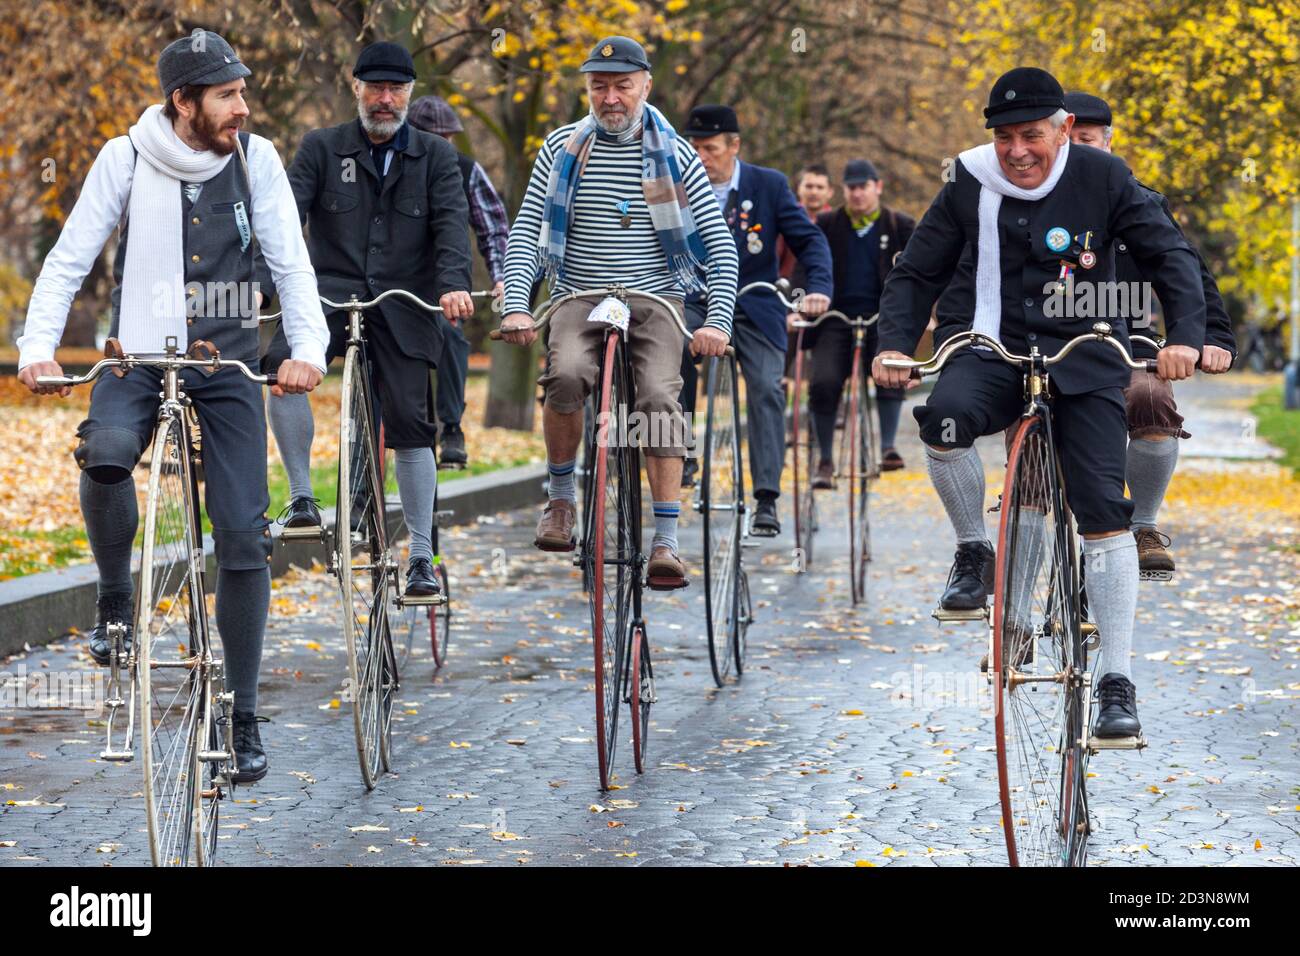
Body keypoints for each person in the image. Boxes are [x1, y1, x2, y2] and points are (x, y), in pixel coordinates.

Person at [16, 30, 330, 781]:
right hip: (139, 355)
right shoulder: (124, 156)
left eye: (242, 93)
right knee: (106, 454)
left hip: (227, 368)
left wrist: (307, 351)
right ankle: (117, 598)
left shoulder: (258, 160)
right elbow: (70, 257)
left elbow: (291, 262)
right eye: (226, 96)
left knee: (245, 537)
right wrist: (37, 346)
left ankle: (244, 716)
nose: (241, 108)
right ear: (182, 101)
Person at [873, 67, 1207, 737]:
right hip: (989, 347)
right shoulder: (968, 180)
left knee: (1103, 513)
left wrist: (1187, 339)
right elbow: (920, 269)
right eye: (1004, 138)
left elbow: (1169, 253)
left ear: (1061, 132)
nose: (1018, 151)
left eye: (1032, 136)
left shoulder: (1103, 179)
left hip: (1085, 354)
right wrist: (891, 345)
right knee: (941, 420)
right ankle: (974, 549)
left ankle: (1117, 679)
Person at [498, 37, 739, 588]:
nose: (610, 98)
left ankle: (667, 539)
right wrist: (516, 306)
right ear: (586, 89)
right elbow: (528, 233)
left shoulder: (677, 155)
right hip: (578, 293)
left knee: (657, 395)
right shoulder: (560, 148)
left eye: (622, 85)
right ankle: (561, 499)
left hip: (656, 297)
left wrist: (716, 321)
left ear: (645, 87)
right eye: (599, 86)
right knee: (564, 375)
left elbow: (719, 248)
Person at [262, 42, 474, 600]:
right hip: (326, 296)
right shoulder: (321, 148)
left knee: (409, 420)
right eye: (375, 87)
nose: (385, 99)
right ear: (355, 87)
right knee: (285, 371)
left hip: (403, 303)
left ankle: (422, 557)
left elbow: (453, 226)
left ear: (409, 91)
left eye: (396, 89)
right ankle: (304, 497)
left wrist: (452, 284)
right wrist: (262, 289)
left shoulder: (436, 156)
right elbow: (283, 221)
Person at [1063, 91, 1236, 574]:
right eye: (1070, 139)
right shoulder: (1031, 197)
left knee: (1151, 397)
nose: (1079, 149)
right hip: (1049, 342)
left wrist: (1213, 338)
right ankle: (1012, 576)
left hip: (1128, 337)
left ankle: (1143, 525)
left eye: (1088, 139)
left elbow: (1186, 269)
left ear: (1109, 143)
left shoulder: (1141, 200)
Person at [680, 104, 833, 534]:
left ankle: (766, 497)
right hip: (694, 299)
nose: (700, 157)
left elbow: (809, 240)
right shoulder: (672, 185)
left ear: (734, 146)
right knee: (668, 351)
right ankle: (681, 451)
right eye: (693, 148)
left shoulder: (768, 185)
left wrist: (818, 288)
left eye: (709, 149)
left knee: (767, 387)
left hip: (753, 303)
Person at [408, 94, 512, 469]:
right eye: (433, 137)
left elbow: (494, 228)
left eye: (447, 138)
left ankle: (451, 426)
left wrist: (501, 277)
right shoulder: (389, 165)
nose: (442, 146)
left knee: (450, 334)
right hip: (393, 281)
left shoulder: (465, 169)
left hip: (444, 284)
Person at [805, 159, 916, 486]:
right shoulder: (826, 223)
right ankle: (825, 459)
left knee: (891, 369)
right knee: (823, 381)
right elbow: (807, 263)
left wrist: (925, 313)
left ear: (877, 187)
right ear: (844, 190)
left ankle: (887, 447)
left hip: (884, 318)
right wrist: (804, 299)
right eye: (851, 188)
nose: (856, 194)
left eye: (863, 187)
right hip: (834, 317)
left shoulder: (899, 225)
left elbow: (920, 272)